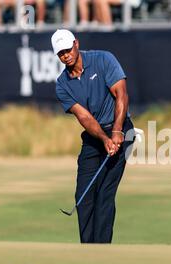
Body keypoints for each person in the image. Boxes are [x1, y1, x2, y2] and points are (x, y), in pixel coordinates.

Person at [52, 29, 134, 243]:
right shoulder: (62, 84)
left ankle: (102, 249)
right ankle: (87, 248)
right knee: (83, 195)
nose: (65, 55)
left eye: (68, 49)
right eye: (60, 53)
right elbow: (85, 118)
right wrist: (105, 139)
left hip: (121, 128)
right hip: (94, 135)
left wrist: (116, 131)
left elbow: (121, 94)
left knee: (105, 193)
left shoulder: (103, 59)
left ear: (76, 44)